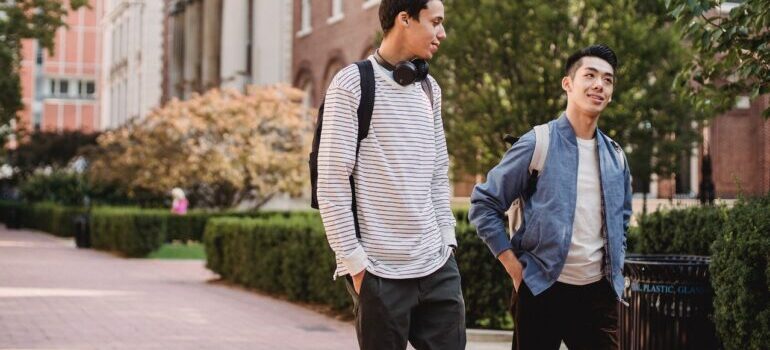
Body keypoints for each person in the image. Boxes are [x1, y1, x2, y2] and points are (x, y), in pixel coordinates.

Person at [315, 1, 465, 349]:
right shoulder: (352, 84)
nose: (442, 33)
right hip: (379, 274)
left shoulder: (430, 89)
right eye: (436, 22)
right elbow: (332, 180)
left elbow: (438, 173)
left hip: (437, 265)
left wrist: (447, 239)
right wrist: (355, 265)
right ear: (404, 19)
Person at [469, 44, 632, 350]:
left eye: (608, 80)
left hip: (597, 297)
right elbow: (484, 204)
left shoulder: (616, 157)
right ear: (568, 84)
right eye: (591, 75)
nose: (600, 84)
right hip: (541, 289)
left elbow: (621, 221)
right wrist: (514, 268)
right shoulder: (538, 142)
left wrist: (615, 277)